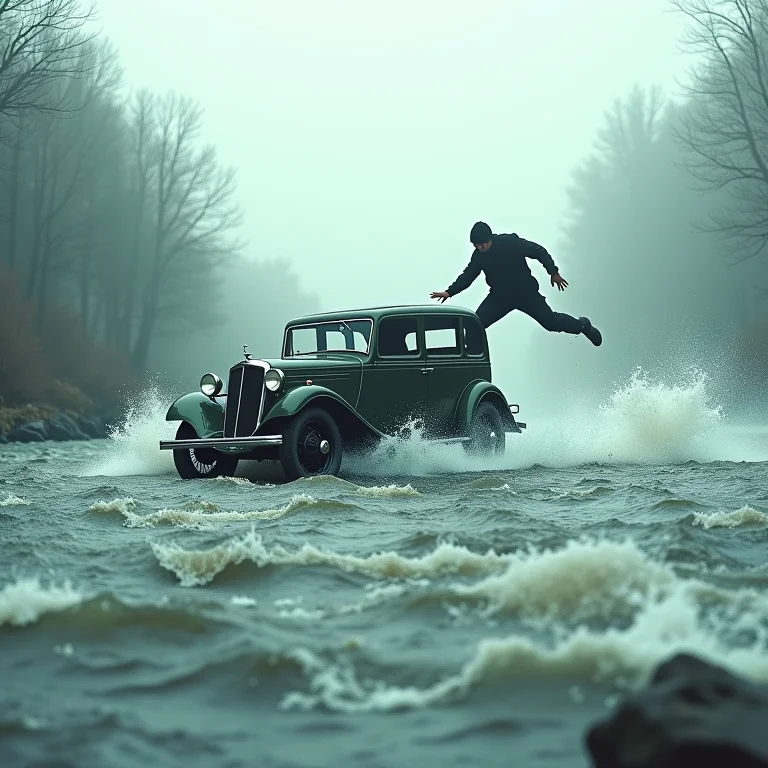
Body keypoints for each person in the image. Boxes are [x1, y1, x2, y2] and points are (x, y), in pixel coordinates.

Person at [430, 221, 602, 346]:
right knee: (476, 324)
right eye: (476, 245)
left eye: (482, 244)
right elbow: (468, 275)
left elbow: (538, 251)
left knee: (551, 323)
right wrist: (450, 292)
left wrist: (553, 272)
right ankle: (472, 365)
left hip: (526, 295)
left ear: (490, 239)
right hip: (500, 298)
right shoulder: (478, 256)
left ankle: (583, 326)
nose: (480, 247)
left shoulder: (510, 243)